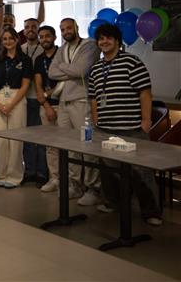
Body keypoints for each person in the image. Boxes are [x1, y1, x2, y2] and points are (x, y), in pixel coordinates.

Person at [87, 23, 161, 226]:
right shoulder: (96, 68)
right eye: (101, 38)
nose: (104, 41)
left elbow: (145, 93)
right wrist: (96, 120)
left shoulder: (131, 62)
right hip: (105, 128)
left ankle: (151, 212)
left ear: (117, 41)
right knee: (108, 171)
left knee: (142, 171)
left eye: (109, 38)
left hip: (131, 128)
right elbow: (93, 98)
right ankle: (113, 203)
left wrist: (146, 120)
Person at [48, 17, 102, 204]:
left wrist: (65, 68)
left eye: (69, 28)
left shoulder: (90, 45)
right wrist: (71, 70)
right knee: (69, 147)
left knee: (87, 146)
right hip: (64, 103)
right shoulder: (62, 49)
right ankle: (75, 185)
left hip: (82, 102)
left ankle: (93, 188)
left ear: (77, 27)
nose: (66, 32)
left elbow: (82, 70)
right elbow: (51, 72)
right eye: (62, 29)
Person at [0, 27, 32, 188]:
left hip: (17, 98)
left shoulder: (25, 60)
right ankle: (1, 174)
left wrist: (11, 104)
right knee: (1, 140)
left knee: (16, 140)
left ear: (16, 40)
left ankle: (14, 176)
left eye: (10, 38)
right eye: (4, 39)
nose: (7, 41)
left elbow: (25, 84)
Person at [34, 25, 61, 193]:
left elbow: (65, 81)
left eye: (48, 36)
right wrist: (46, 105)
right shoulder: (39, 59)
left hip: (64, 105)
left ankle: (71, 181)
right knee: (51, 145)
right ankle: (54, 178)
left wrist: (48, 93)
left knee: (68, 144)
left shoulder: (62, 55)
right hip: (46, 106)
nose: (45, 39)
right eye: (42, 37)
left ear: (54, 37)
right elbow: (38, 85)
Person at [21, 16, 47, 186]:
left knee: (42, 137)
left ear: (38, 29)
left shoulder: (44, 49)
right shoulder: (19, 48)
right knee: (27, 137)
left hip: (40, 98)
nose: (30, 29)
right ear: (23, 30)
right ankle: (29, 171)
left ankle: (42, 172)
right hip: (23, 99)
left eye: (33, 26)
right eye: (27, 27)